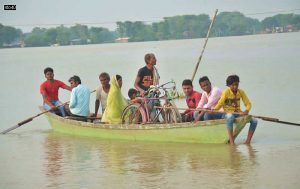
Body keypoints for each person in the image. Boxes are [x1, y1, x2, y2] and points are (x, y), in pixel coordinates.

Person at [214, 75, 258, 145]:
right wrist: (214, 109)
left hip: (238, 113)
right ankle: (231, 142)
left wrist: (246, 111)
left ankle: (247, 141)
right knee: (230, 117)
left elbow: (248, 104)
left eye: (237, 84)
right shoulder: (226, 92)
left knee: (254, 121)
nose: (235, 87)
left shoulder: (241, 92)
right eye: (233, 85)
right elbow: (220, 103)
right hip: (227, 113)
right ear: (228, 85)